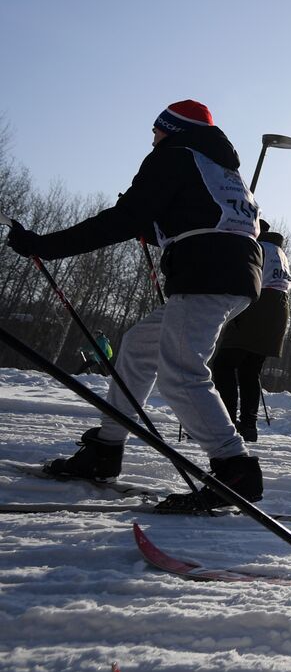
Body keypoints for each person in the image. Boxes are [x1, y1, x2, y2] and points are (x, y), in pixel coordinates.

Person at [4, 100, 264, 513]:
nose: (153, 139)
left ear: (171, 129)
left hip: (206, 274)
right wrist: (153, 222)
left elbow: (121, 219)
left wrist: (44, 246)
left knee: (180, 373)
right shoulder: (218, 166)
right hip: (234, 275)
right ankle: (108, 447)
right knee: (139, 346)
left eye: (156, 131)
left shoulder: (174, 155)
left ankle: (235, 468)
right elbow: (205, 217)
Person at [210, 220, 291, 442]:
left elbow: (242, 278)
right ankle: (248, 425)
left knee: (223, 365)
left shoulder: (256, 247)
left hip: (256, 306)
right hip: (277, 312)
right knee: (249, 370)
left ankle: (225, 422)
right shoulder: (278, 252)